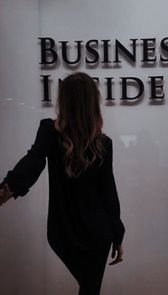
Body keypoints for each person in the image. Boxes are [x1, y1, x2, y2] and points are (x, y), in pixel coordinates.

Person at [0, 72, 125, 295]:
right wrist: (116, 235)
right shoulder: (99, 142)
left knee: (88, 289)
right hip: (96, 233)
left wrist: (9, 187)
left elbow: (34, 160)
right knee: (90, 289)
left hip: (63, 230)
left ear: (64, 100)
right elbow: (108, 193)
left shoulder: (53, 132)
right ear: (92, 103)